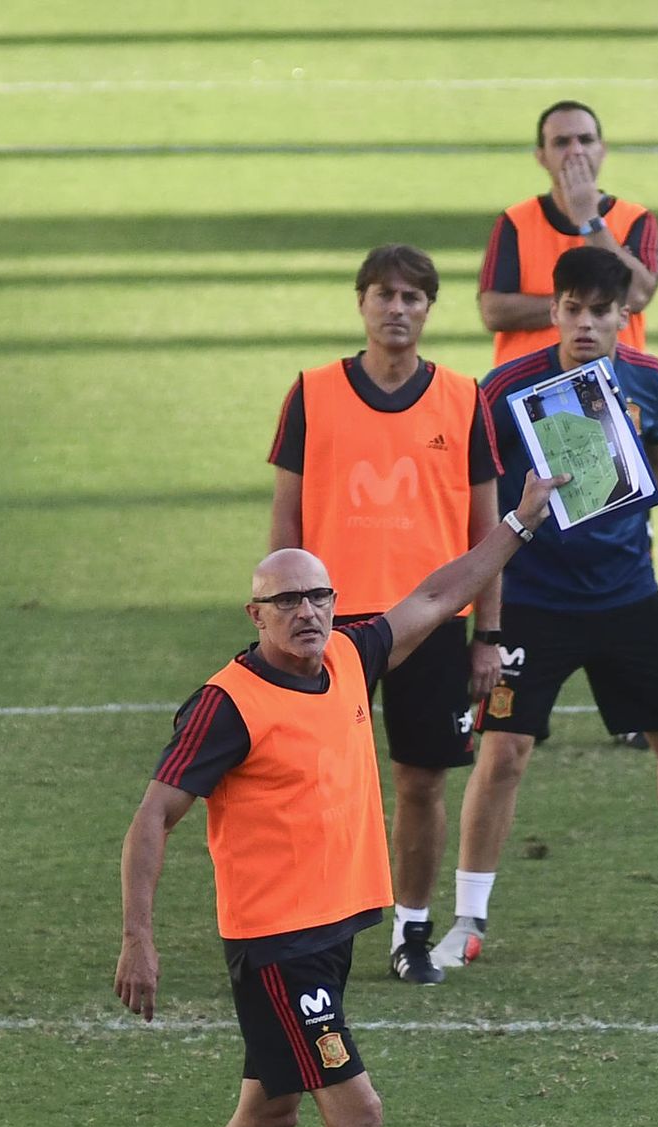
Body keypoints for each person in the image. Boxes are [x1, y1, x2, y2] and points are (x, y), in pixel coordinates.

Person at [114, 467, 563, 1127]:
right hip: (277, 948)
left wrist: (516, 524)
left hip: (324, 941)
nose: (309, 613)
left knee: (268, 1114)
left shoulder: (351, 658)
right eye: (288, 602)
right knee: (355, 1110)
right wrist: (138, 937)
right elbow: (150, 820)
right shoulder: (228, 704)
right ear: (257, 615)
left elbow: (437, 595)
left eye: (319, 596)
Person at [433, 247, 658, 970]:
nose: (585, 324)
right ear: (553, 311)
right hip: (533, 601)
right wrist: (483, 623)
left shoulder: (645, 378)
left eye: (600, 312)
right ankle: (468, 918)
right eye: (573, 309)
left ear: (626, 317)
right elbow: (480, 502)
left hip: (627, 596)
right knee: (505, 753)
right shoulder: (505, 389)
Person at [269, 244, 503, 985]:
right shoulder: (311, 392)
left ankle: (409, 928)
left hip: (430, 624)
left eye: (413, 297)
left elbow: (488, 531)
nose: (397, 309)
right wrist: (281, 613)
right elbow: (286, 515)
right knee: (313, 780)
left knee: (420, 780)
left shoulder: (465, 398)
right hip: (327, 627)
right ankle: (305, 926)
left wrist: (488, 635)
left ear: (430, 309)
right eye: (384, 294)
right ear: (361, 303)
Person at [479, 100, 658, 367]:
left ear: (602, 150)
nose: (575, 151)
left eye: (586, 140)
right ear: (541, 156)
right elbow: (494, 312)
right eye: (562, 142)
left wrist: (589, 219)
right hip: (529, 390)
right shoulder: (515, 222)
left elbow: (636, 297)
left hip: (611, 387)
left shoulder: (636, 219)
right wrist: (588, 304)